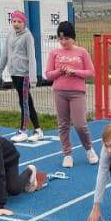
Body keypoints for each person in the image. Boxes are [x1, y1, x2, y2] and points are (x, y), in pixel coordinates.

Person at [44, 20, 98, 168]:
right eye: (60, 38)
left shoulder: (82, 52)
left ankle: (89, 149)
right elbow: (48, 75)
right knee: (63, 125)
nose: (63, 41)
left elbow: (91, 72)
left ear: (73, 38)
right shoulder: (54, 53)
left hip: (77, 92)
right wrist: (60, 71)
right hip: (59, 92)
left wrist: (75, 72)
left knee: (80, 125)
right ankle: (67, 154)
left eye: (66, 38)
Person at [0, 10, 44, 143]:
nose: (16, 24)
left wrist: (33, 78)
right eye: (14, 21)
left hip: (24, 75)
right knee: (25, 102)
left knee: (25, 103)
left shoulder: (28, 36)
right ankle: (38, 130)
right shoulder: (10, 35)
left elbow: (32, 58)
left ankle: (24, 130)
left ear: (24, 22)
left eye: (19, 21)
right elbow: (4, 54)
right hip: (14, 73)